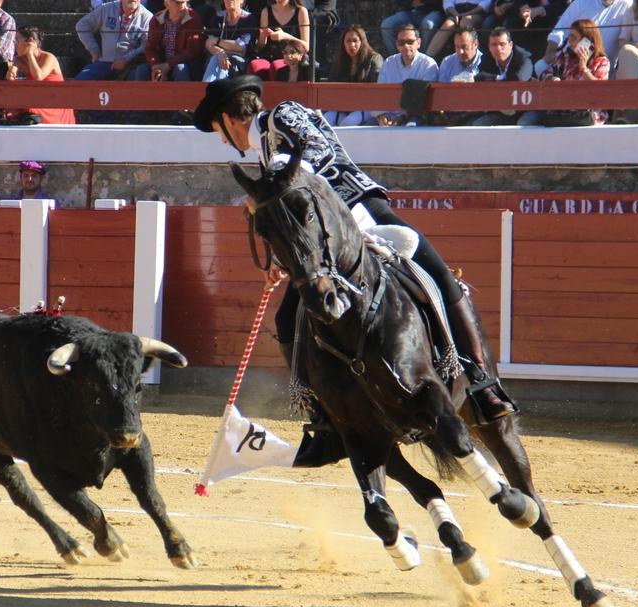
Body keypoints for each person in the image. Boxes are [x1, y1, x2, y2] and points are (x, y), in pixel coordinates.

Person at [193, 74, 517, 423]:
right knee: (288, 320)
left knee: (438, 275)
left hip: (363, 210)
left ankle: (482, 384)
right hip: (329, 242)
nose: (224, 142)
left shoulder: (283, 115)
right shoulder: (263, 156)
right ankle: (322, 417)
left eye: (218, 131)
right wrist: (280, 259)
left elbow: (319, 150)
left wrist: (274, 182)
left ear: (227, 119)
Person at [532, 18, 610, 126]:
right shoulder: (565, 56)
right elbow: (546, 72)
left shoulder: (602, 61)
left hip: (589, 114)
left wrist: (584, 69)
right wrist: (553, 79)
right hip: (565, 112)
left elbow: (599, 89)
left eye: (573, 37)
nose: (569, 41)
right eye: (569, 36)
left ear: (586, 41)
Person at [539, 0, 632, 76]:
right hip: (568, 62)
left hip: (601, 69)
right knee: (540, 67)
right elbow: (559, 31)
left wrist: (584, 69)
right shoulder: (582, 2)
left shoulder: (628, 6)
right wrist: (549, 54)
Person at [373, 24, 439, 127]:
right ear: (396, 44)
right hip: (388, 116)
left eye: (410, 42)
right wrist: (381, 115)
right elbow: (378, 94)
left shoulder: (428, 64)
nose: (406, 46)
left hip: (415, 116)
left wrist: (401, 118)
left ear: (418, 43)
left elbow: (425, 102)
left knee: (411, 127)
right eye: (401, 42)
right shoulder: (389, 63)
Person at [9, 26, 75, 124]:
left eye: (17, 41)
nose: (14, 45)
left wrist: (30, 54)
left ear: (30, 41)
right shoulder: (20, 59)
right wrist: (12, 69)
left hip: (54, 102)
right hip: (37, 99)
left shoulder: (49, 57)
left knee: (29, 107)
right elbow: (9, 79)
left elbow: (38, 77)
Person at [74, 0, 153, 81]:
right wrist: (94, 50)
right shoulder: (106, 8)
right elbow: (82, 25)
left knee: (141, 74)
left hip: (131, 65)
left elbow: (145, 46)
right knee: (81, 81)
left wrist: (125, 59)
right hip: (105, 63)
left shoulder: (148, 17)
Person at [323, 25, 383, 126]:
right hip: (343, 107)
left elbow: (377, 90)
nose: (352, 44)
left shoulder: (374, 59)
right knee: (325, 121)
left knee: (348, 122)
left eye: (355, 40)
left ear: (362, 41)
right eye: (348, 41)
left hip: (367, 107)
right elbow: (331, 87)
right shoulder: (339, 62)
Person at [472, 26, 533, 126]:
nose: (498, 49)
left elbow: (518, 79)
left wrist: (495, 78)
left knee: (523, 123)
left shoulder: (523, 59)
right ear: (489, 47)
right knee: (478, 125)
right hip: (499, 112)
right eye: (494, 44)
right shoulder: (486, 60)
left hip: (526, 110)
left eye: (502, 44)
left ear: (511, 45)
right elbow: (479, 79)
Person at [140, 0, 206, 82]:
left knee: (180, 69)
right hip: (161, 63)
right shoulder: (156, 19)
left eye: (184, 2)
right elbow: (150, 48)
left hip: (184, 63)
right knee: (142, 69)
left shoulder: (193, 18)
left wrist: (168, 65)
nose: (182, 6)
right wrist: (156, 67)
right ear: (166, 3)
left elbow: (192, 51)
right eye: (178, 3)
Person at [247, 0, 309, 81]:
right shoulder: (266, 11)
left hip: (291, 56)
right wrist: (263, 37)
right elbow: (260, 48)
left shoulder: (301, 11)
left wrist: (285, 36)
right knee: (255, 65)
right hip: (270, 56)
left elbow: (306, 46)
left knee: (276, 66)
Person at [434, 27, 482, 125]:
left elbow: (485, 101)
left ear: (475, 44)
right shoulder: (447, 62)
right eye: (457, 47)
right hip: (450, 113)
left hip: (474, 114)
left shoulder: (485, 62)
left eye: (464, 47)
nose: (460, 52)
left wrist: (462, 117)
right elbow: (441, 94)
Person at [202, 0, 257, 82]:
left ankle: (206, 91)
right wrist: (220, 52)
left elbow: (241, 47)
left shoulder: (248, 19)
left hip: (240, 60)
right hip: (218, 57)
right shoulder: (218, 17)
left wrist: (217, 41)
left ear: (242, 1)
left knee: (217, 61)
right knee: (218, 60)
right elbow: (208, 43)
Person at [425, 0, 491, 60]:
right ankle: (428, 58)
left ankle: (469, 57)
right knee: (448, 25)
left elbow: (486, 2)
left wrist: (467, 13)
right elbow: (447, 2)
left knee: (465, 24)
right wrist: (455, 13)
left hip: (476, 11)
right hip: (455, 11)